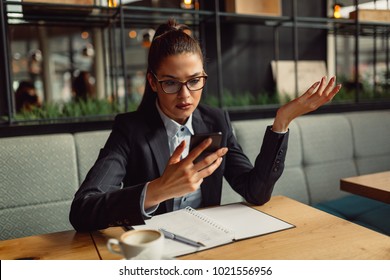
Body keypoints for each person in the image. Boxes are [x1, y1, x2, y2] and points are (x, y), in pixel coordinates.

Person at [69, 19, 341, 232]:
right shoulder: (130, 129)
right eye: (171, 83)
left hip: (209, 242)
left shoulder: (217, 121)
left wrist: (282, 121)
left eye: (194, 80)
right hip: (153, 250)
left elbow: (255, 192)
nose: (185, 96)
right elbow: (82, 210)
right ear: (153, 83)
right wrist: (159, 189)